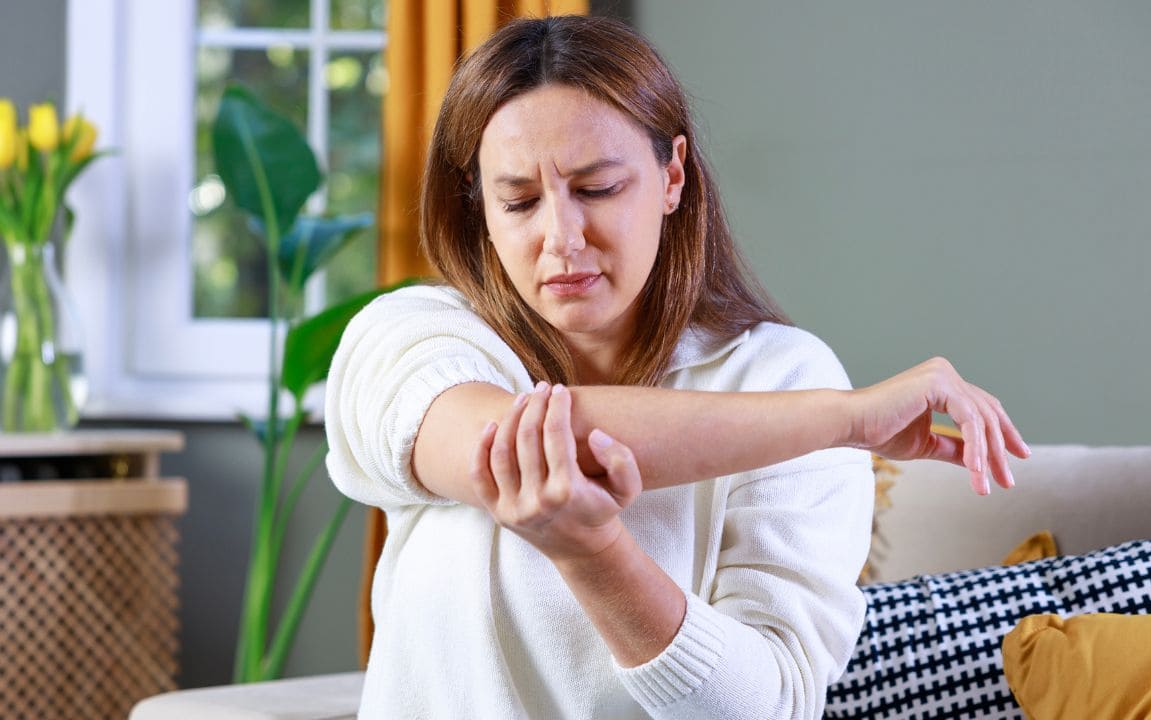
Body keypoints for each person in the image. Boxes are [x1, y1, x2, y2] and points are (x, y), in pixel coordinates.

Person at [325, 15, 1028, 720]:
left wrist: (598, 555)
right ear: (481, 206)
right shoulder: (413, 337)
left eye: (597, 188)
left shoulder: (782, 378)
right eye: (518, 201)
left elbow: (769, 706)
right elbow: (514, 450)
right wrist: (844, 421)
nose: (560, 238)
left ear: (673, 175)